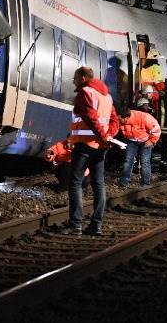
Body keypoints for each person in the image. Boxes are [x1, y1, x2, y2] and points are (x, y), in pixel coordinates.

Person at [63, 67, 120, 236]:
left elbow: (91, 117)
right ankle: (96, 225)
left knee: (75, 182)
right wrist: (109, 136)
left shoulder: (85, 93)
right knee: (99, 184)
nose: (73, 81)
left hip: (85, 145)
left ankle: (76, 225)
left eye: (74, 77)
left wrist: (104, 136)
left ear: (82, 78)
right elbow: (114, 119)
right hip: (101, 147)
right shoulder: (107, 96)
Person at [119, 97, 161, 186]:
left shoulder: (144, 117)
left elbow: (156, 129)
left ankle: (145, 183)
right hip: (132, 140)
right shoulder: (122, 119)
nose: (119, 121)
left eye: (120, 119)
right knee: (128, 160)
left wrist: (152, 141)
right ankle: (124, 181)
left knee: (145, 162)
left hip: (146, 140)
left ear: (126, 118)